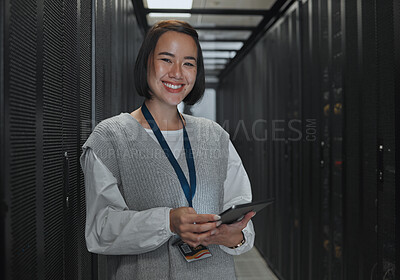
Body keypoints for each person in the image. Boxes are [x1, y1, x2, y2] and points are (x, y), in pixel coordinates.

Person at [80, 20, 255, 280]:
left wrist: (236, 237)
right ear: (146, 62)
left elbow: (240, 210)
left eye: (188, 63)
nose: (177, 73)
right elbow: (100, 231)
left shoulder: (215, 136)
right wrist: (167, 222)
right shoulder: (110, 139)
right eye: (166, 59)